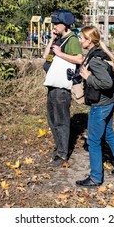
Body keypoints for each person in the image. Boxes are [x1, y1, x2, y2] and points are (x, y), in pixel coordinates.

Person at [75, 26, 114, 187]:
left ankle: (95, 178)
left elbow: (106, 82)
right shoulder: (104, 51)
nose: (80, 40)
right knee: (108, 134)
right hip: (110, 101)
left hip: (100, 105)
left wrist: (89, 77)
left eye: (82, 38)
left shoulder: (95, 60)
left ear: (89, 41)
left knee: (93, 141)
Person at [42, 9, 83, 167]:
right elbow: (46, 57)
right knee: (52, 120)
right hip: (52, 85)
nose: (54, 26)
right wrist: (52, 40)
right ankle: (59, 148)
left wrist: (60, 54)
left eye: (56, 24)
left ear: (65, 24)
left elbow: (79, 59)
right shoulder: (58, 39)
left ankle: (63, 154)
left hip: (62, 87)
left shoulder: (71, 39)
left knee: (61, 121)